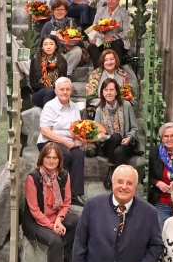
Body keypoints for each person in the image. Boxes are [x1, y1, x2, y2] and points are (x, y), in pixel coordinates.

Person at [22, 142, 79, 262]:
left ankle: (68, 255)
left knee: (77, 220)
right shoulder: (33, 178)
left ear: (59, 159)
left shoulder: (64, 176)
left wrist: (60, 220)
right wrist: (53, 225)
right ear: (42, 158)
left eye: (55, 157)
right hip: (35, 221)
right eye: (48, 157)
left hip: (55, 216)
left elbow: (67, 202)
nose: (51, 160)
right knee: (55, 241)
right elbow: (34, 210)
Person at [37, 77, 85, 206]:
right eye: (61, 89)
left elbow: (76, 130)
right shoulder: (50, 106)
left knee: (78, 155)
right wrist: (67, 143)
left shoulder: (74, 107)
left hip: (68, 141)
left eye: (67, 89)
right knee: (65, 154)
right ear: (56, 91)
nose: (65, 92)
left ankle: (75, 194)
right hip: (49, 140)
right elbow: (45, 131)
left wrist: (83, 140)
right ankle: (55, 190)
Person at [94, 79, 138, 190]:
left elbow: (134, 128)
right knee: (116, 136)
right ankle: (115, 171)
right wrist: (109, 137)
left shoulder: (126, 106)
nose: (109, 93)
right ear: (102, 93)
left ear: (116, 92)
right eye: (106, 90)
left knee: (119, 151)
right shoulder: (99, 110)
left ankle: (114, 173)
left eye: (111, 90)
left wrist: (129, 137)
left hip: (125, 145)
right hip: (107, 145)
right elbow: (96, 134)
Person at [86, 0, 131, 68]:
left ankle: (115, 69)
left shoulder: (124, 13)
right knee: (91, 47)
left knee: (116, 44)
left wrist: (113, 38)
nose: (110, 1)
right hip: (101, 40)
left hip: (117, 41)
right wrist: (91, 38)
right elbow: (93, 27)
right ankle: (99, 71)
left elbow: (126, 32)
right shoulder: (101, 11)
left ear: (118, 0)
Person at [41, 0, 84, 77]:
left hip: (68, 52)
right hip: (54, 54)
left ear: (66, 11)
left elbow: (79, 40)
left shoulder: (71, 23)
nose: (59, 12)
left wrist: (71, 43)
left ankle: (67, 74)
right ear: (53, 12)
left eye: (62, 9)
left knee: (78, 51)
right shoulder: (48, 25)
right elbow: (42, 42)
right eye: (57, 10)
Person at [29, 34, 67, 108]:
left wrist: (55, 90)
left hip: (56, 92)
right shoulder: (36, 60)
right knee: (49, 92)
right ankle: (48, 115)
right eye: (45, 44)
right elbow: (32, 83)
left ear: (55, 46)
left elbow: (63, 80)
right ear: (42, 47)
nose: (48, 47)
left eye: (51, 44)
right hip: (39, 93)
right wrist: (49, 89)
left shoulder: (62, 61)